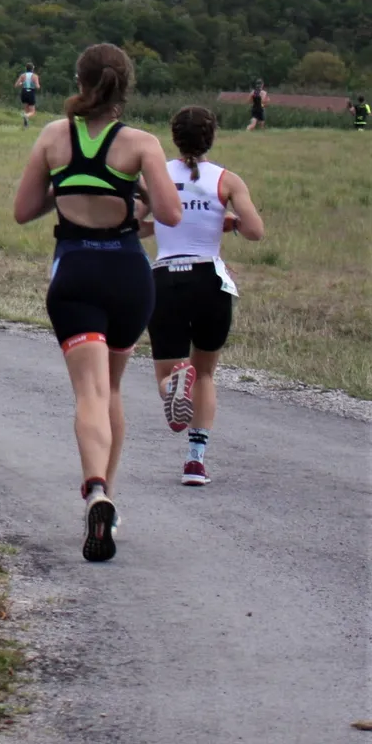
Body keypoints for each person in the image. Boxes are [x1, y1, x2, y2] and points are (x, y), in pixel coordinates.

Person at [12, 44, 182, 562]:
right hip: (129, 275)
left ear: (79, 82)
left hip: (75, 273)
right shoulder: (141, 143)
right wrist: (136, 201)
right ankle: (108, 492)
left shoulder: (52, 136)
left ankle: (95, 492)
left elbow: (23, 211)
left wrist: (66, 188)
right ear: (125, 87)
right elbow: (171, 215)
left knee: (87, 393)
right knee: (111, 388)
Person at [140, 105, 265, 487]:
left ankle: (173, 389)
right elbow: (255, 231)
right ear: (212, 137)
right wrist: (225, 221)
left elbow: (137, 224)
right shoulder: (227, 180)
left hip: (165, 279)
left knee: (169, 372)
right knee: (206, 372)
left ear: (174, 138)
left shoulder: (156, 176)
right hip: (209, 280)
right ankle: (195, 461)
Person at [15, 62, 41, 128]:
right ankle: (26, 117)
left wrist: (22, 83)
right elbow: (38, 87)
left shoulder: (22, 75)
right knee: (32, 112)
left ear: (26, 68)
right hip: (31, 92)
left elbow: (16, 85)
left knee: (26, 110)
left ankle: (25, 125)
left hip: (24, 92)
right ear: (32, 69)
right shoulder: (35, 76)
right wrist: (34, 84)